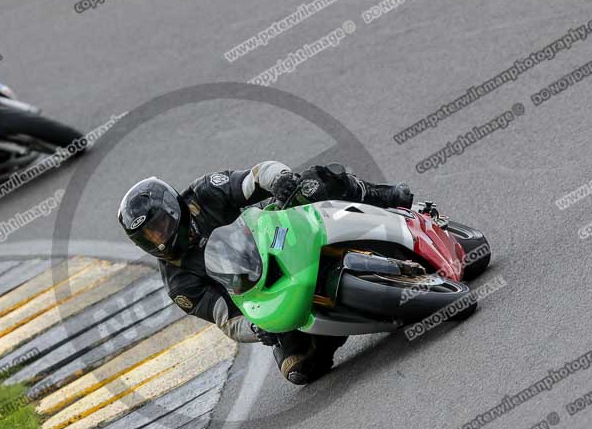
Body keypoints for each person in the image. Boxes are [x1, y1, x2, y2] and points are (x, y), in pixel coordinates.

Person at [117, 161, 414, 385]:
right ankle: (337, 323)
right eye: (148, 237)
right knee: (297, 368)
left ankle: (381, 196)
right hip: (268, 288)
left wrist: (280, 179)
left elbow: (257, 175)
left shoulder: (204, 192)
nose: (159, 239)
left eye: (158, 226)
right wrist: (256, 327)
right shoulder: (179, 283)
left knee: (314, 183)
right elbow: (228, 320)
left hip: (281, 233)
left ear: (172, 209)